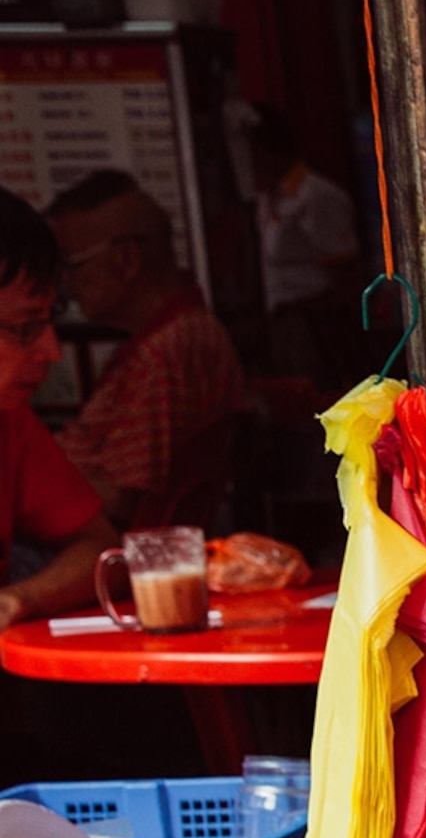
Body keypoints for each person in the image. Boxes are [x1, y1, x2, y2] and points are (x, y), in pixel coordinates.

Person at [47, 170, 248, 524]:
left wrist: (24, 486)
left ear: (125, 259)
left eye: (72, 266)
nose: (67, 283)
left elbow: (124, 497)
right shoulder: (180, 334)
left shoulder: (164, 353)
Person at [0, 191, 117, 629]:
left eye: (50, 322)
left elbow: (100, 548)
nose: (51, 351)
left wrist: (17, 600)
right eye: (26, 328)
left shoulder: (9, 421)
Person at [246, 103, 362, 388]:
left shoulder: (316, 196)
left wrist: (332, 337)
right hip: (282, 322)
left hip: (314, 323)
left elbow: (345, 273)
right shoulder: (265, 198)